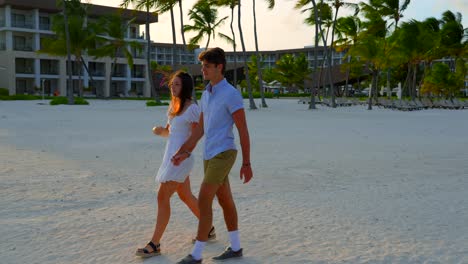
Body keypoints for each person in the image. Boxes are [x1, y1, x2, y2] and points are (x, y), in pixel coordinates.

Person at [171, 47, 253, 264]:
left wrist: (246, 162)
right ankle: (236, 248)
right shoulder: (206, 94)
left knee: (204, 198)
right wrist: (184, 151)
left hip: (225, 153)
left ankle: (196, 254)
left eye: (207, 66)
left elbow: (243, 129)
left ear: (219, 67)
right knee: (225, 200)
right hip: (209, 155)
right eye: (202, 66)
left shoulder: (231, 94)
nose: (203, 69)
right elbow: (200, 129)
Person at [135, 70, 216, 258]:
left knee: (162, 196)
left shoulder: (192, 108)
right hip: (171, 157)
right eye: (172, 84)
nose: (173, 87)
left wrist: (185, 153)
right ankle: (209, 229)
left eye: (177, 84)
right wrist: (159, 130)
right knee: (186, 196)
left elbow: (197, 134)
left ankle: (155, 244)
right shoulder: (174, 107)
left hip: (182, 159)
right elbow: (170, 133)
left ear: (186, 87)